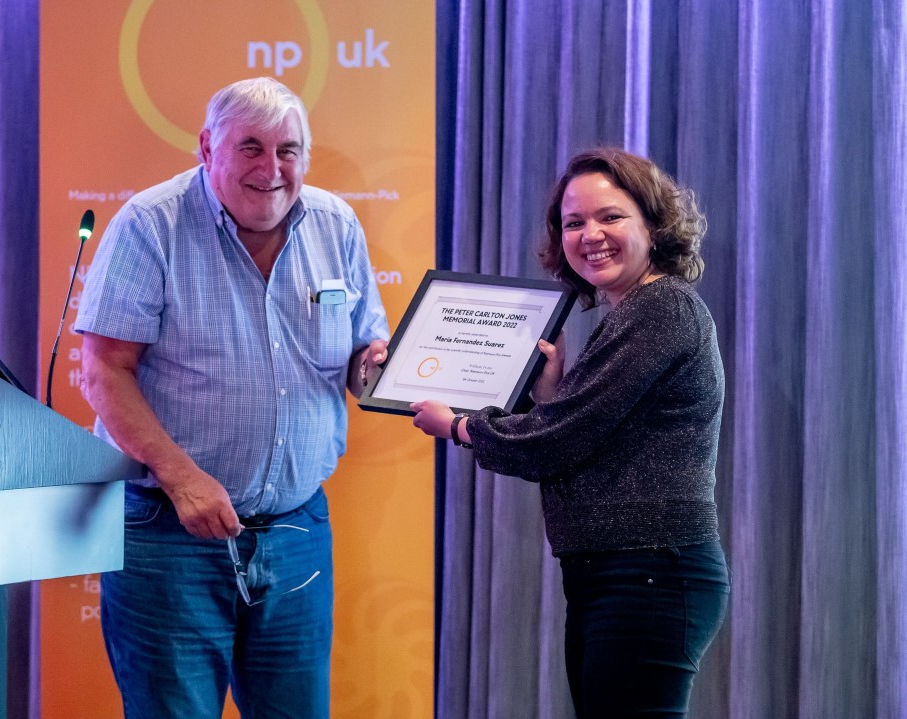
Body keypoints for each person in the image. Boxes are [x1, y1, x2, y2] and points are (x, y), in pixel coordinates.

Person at [75, 77, 389, 719]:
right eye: (250, 147)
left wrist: (389, 367)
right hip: (168, 536)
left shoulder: (336, 224)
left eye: (288, 150)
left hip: (297, 532)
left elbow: (363, 357)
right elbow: (104, 372)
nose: (271, 170)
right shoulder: (149, 225)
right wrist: (183, 479)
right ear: (206, 148)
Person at [411, 147, 729, 718]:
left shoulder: (661, 310)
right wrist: (551, 396)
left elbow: (554, 442)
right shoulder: (632, 314)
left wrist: (458, 425)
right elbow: (584, 440)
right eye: (573, 222)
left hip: (649, 572)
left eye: (611, 216)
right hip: (618, 571)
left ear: (653, 225)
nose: (590, 235)